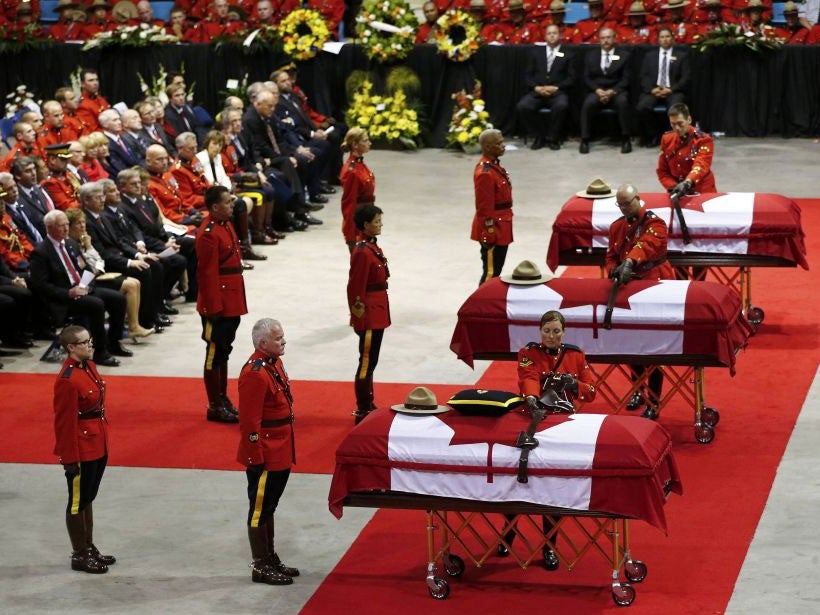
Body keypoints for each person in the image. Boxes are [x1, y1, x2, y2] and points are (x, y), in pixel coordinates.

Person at [499, 309, 597, 568]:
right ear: (539, 332)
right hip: (531, 417)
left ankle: (550, 546)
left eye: (556, 331)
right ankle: (507, 533)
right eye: (546, 331)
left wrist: (574, 385)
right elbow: (528, 378)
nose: (551, 336)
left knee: (551, 484)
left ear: (564, 333)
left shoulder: (575, 355)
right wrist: (531, 397)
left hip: (561, 423)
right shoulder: (528, 354)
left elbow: (591, 392)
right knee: (517, 476)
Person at [237, 317, 300, 585]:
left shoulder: (275, 364)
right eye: (278, 338)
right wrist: (255, 456)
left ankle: (270, 557)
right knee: (259, 508)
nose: (283, 341)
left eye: (282, 336)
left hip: (281, 447)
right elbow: (250, 421)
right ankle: (260, 564)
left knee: (270, 506)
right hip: (266, 451)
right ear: (262, 343)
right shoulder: (254, 374)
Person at [605, 183, 675, 420]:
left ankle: (654, 402)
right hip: (629, 288)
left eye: (628, 202)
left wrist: (630, 262)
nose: (624, 208)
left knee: (653, 348)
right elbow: (611, 255)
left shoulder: (655, 223)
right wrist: (613, 269)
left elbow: (645, 246)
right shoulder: (617, 227)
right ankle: (638, 391)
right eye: (620, 204)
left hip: (654, 286)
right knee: (632, 344)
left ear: (638, 199)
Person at [53, 324, 116, 574]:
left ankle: (89, 547)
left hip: (97, 441)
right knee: (77, 501)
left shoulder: (88, 366)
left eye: (90, 340)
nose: (90, 344)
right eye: (84, 342)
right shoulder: (67, 380)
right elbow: (64, 422)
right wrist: (69, 457)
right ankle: (79, 554)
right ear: (71, 348)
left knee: (88, 497)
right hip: (81, 448)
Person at [196, 185, 248, 423]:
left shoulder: (225, 223)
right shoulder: (208, 232)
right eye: (227, 202)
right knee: (214, 353)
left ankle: (222, 397)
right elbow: (207, 274)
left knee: (224, 351)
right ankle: (214, 404)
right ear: (215, 207)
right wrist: (213, 308)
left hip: (232, 298)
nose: (232, 204)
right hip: (217, 303)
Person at [64, 207, 154, 343]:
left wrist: (90, 251)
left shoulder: (84, 239)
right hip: (88, 280)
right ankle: (133, 326)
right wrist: (89, 249)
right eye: (78, 223)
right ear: (69, 226)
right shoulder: (72, 243)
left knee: (136, 282)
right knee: (130, 285)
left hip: (95, 275)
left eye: (83, 222)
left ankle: (133, 324)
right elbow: (92, 266)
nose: (83, 226)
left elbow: (99, 262)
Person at [347, 204, 389, 424]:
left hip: (378, 312)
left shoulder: (372, 247)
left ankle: (369, 403)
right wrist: (359, 318)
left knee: (371, 361)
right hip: (370, 315)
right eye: (376, 221)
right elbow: (355, 288)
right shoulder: (362, 252)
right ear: (365, 224)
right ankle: (363, 407)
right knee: (366, 362)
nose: (380, 224)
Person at [516, 23, 576, 151]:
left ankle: (553, 138)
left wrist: (557, 88)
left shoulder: (568, 54)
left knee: (562, 105)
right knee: (523, 106)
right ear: (545, 36)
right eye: (549, 33)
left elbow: (571, 78)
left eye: (554, 33)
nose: (552, 36)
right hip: (538, 91)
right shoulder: (536, 53)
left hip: (557, 92)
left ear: (559, 35)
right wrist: (536, 88)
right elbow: (527, 76)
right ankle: (539, 136)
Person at [579, 27, 633, 155]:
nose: (606, 40)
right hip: (596, 90)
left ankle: (626, 138)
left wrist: (612, 91)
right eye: (603, 38)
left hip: (616, 90)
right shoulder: (591, 55)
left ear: (614, 38)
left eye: (608, 37)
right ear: (599, 39)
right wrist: (597, 90)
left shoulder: (624, 55)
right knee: (587, 104)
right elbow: (586, 77)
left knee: (623, 102)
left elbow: (627, 79)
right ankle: (585, 139)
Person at [635, 27, 691, 148]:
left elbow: (686, 78)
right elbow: (643, 76)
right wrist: (651, 89)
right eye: (662, 37)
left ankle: (672, 137)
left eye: (667, 36)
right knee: (642, 107)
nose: (665, 39)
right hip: (654, 90)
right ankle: (653, 135)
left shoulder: (682, 56)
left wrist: (671, 89)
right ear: (658, 40)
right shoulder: (649, 56)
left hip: (673, 90)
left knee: (675, 109)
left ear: (672, 38)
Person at [471, 129, 513, 285]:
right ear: (487, 147)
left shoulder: (494, 167)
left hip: (503, 224)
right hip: (494, 228)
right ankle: (479, 307)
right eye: (499, 143)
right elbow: (484, 208)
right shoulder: (485, 173)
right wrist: (489, 233)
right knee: (490, 274)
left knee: (496, 270)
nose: (503, 146)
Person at [656, 102, 716, 195]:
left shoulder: (703, 140)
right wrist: (674, 187)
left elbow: (701, 165)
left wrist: (687, 183)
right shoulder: (667, 139)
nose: (677, 128)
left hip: (701, 190)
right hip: (676, 192)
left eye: (680, 123)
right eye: (673, 124)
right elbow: (662, 171)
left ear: (689, 119)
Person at [340, 128, 375, 252]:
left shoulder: (359, 165)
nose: (369, 143)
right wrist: (351, 235)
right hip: (358, 227)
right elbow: (349, 204)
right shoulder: (352, 171)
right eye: (365, 141)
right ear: (355, 145)